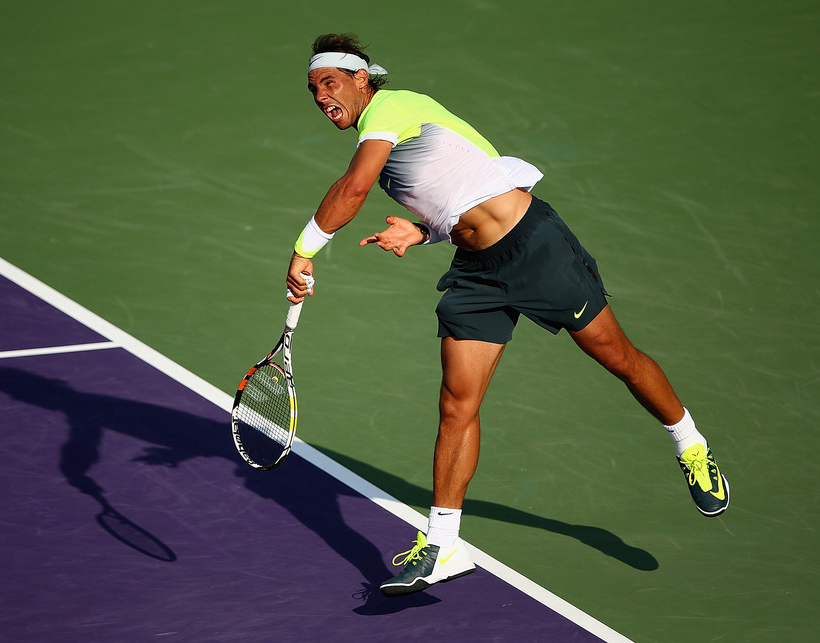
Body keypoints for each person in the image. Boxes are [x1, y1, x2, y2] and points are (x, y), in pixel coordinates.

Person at [286, 33, 729, 598]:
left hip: (536, 249)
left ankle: (690, 444)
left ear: (361, 79)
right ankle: (444, 543)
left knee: (617, 356)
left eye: (330, 82)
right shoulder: (390, 145)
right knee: (456, 404)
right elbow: (463, 193)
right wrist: (421, 232)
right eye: (312, 89)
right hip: (477, 273)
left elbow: (352, 190)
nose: (322, 96)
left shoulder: (393, 108)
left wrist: (304, 248)